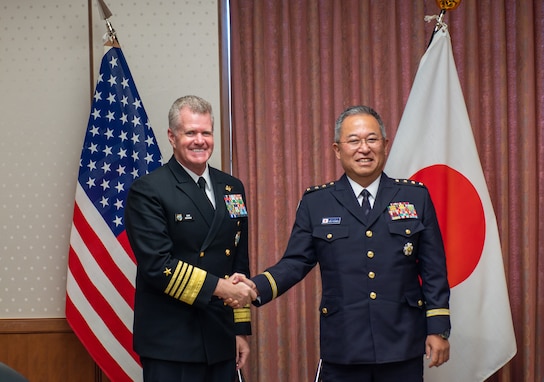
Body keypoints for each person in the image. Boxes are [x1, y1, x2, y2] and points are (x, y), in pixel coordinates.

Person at [233, 105, 451, 382]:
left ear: (385, 145)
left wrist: (438, 328)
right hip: (344, 343)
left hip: (402, 342)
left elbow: (434, 269)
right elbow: (295, 262)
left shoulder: (415, 197)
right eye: (354, 141)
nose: (364, 148)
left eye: (372, 139)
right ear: (337, 150)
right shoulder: (317, 203)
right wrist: (255, 287)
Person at [125, 95, 256, 382]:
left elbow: (238, 262)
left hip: (221, 338)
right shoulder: (148, 190)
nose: (200, 140)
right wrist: (222, 289)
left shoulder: (232, 187)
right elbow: (158, 266)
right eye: (191, 133)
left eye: (206, 132)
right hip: (172, 343)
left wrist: (240, 330)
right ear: (172, 137)